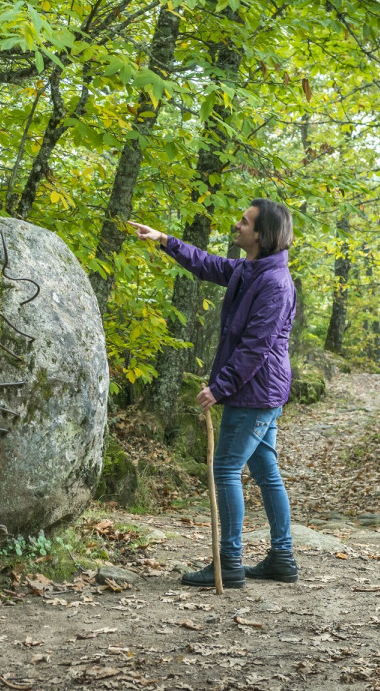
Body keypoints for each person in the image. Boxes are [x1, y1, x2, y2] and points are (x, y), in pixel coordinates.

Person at [129, 199, 298, 588]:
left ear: (262, 234)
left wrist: (219, 388)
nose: (236, 225)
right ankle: (282, 557)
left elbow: (256, 346)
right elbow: (209, 264)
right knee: (265, 471)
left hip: (255, 392)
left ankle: (230, 562)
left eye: (245, 221)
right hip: (262, 390)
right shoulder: (250, 269)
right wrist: (165, 240)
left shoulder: (274, 283)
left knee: (225, 469)